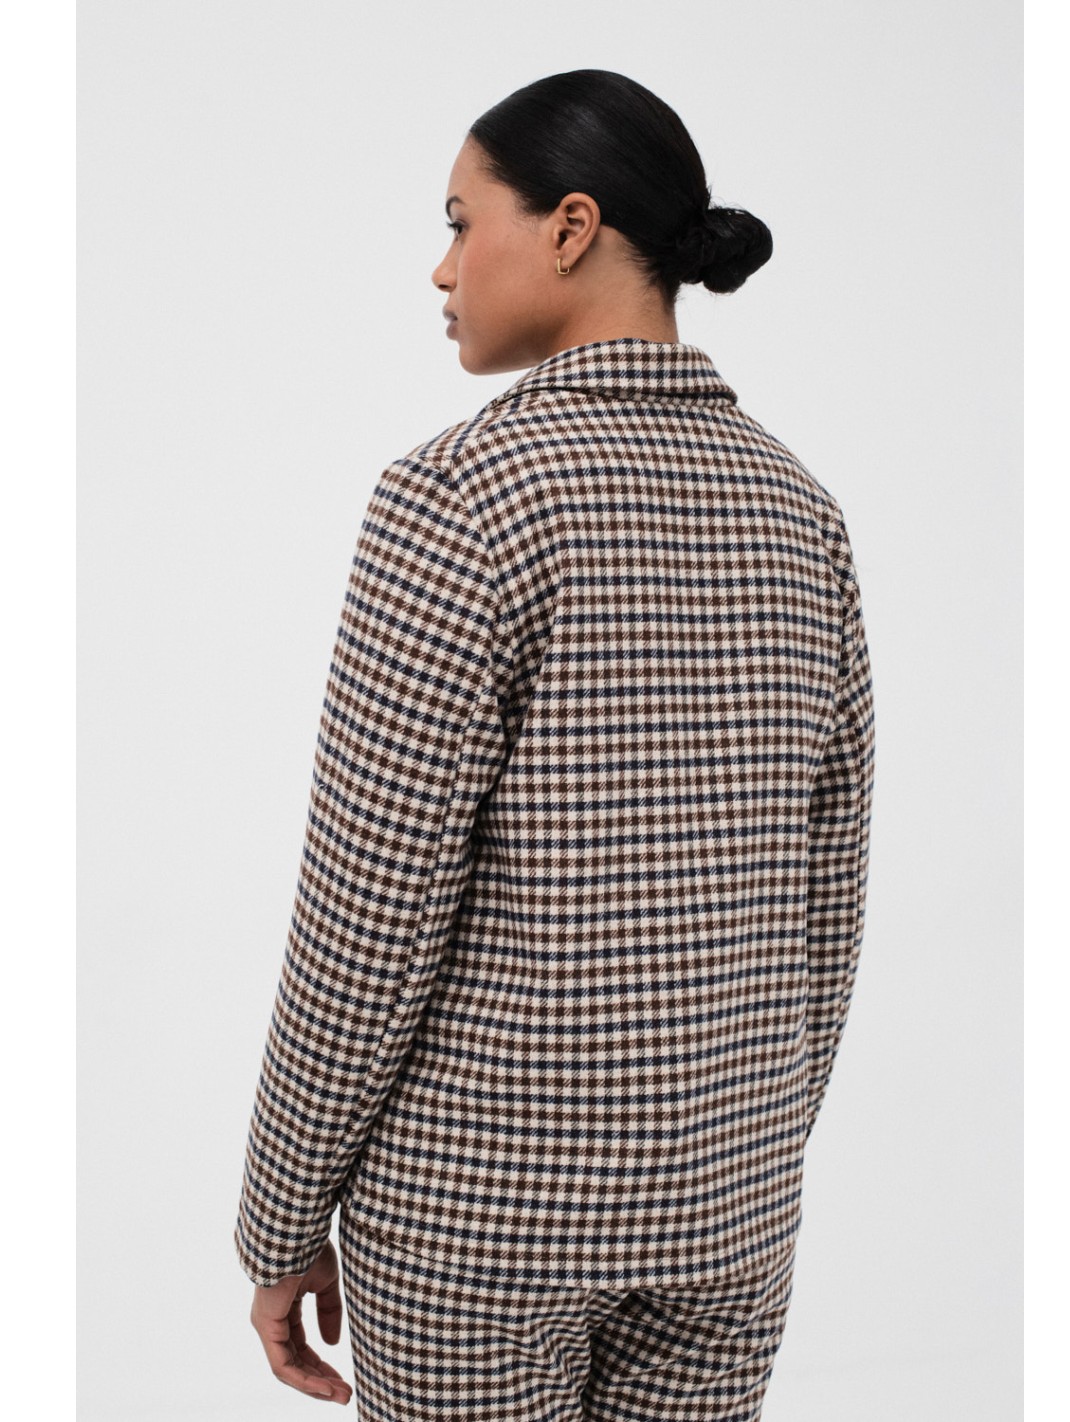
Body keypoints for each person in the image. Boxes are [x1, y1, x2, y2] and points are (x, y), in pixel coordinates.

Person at [233, 67, 875, 1422]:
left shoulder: (459, 497)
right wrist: (744, 1161)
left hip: (478, 1223)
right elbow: (829, 894)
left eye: (462, 223)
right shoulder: (801, 512)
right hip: (728, 1212)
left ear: (572, 226)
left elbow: (368, 908)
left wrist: (280, 1213)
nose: (441, 268)